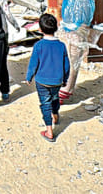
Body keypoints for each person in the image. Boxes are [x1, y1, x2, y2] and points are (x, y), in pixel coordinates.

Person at [26, 14, 71, 142]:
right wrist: (65, 79)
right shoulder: (61, 46)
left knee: (45, 104)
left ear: (40, 29)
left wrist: (29, 77)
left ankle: (49, 131)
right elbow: (66, 65)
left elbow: (33, 64)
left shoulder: (39, 45)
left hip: (42, 81)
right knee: (55, 98)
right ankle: (55, 115)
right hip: (57, 80)